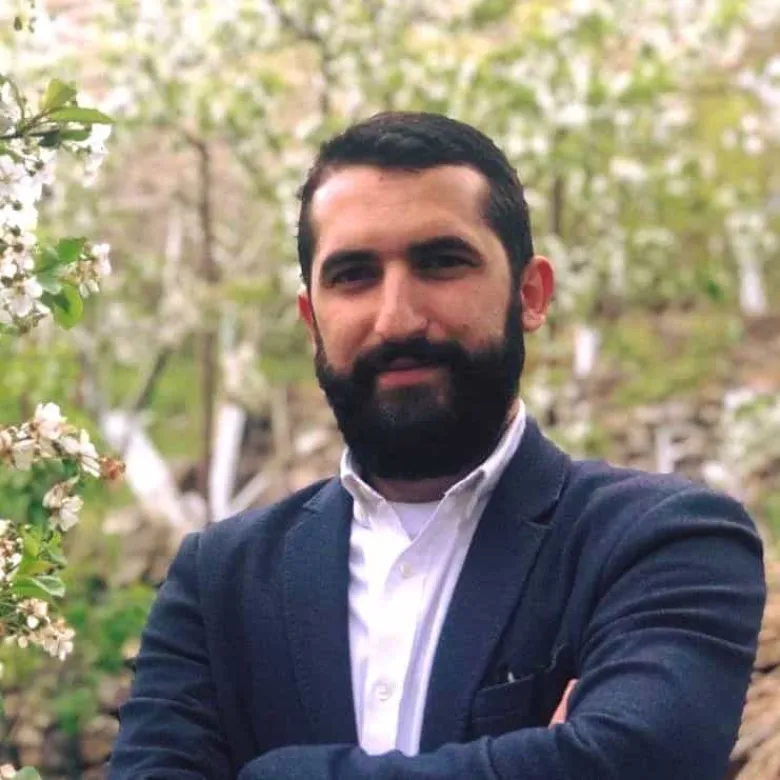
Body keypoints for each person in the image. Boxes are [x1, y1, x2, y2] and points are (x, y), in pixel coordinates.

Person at [108, 112, 766, 780]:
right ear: (311, 320)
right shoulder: (218, 581)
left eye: (442, 263)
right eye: (354, 275)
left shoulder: (660, 543)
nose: (397, 319)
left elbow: (634, 761)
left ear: (530, 294)